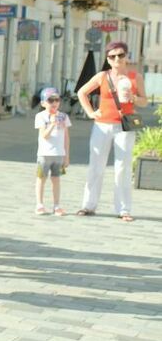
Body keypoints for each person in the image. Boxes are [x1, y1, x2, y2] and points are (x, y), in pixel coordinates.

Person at [76, 41, 146, 221]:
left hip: (124, 126)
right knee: (95, 165)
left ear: (126, 56)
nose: (117, 59)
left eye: (121, 55)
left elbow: (144, 101)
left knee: (122, 166)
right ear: (107, 58)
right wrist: (91, 112)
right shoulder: (102, 76)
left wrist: (134, 98)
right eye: (112, 56)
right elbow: (82, 93)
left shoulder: (134, 76)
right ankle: (88, 205)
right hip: (102, 125)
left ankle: (123, 209)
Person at [35, 87, 71, 215]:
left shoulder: (64, 117)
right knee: (41, 178)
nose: (54, 103)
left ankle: (56, 205)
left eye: (57, 100)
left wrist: (66, 155)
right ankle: (39, 204)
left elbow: (66, 137)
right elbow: (44, 135)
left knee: (56, 179)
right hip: (44, 154)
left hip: (59, 154)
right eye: (50, 100)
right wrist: (52, 124)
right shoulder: (40, 116)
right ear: (43, 103)